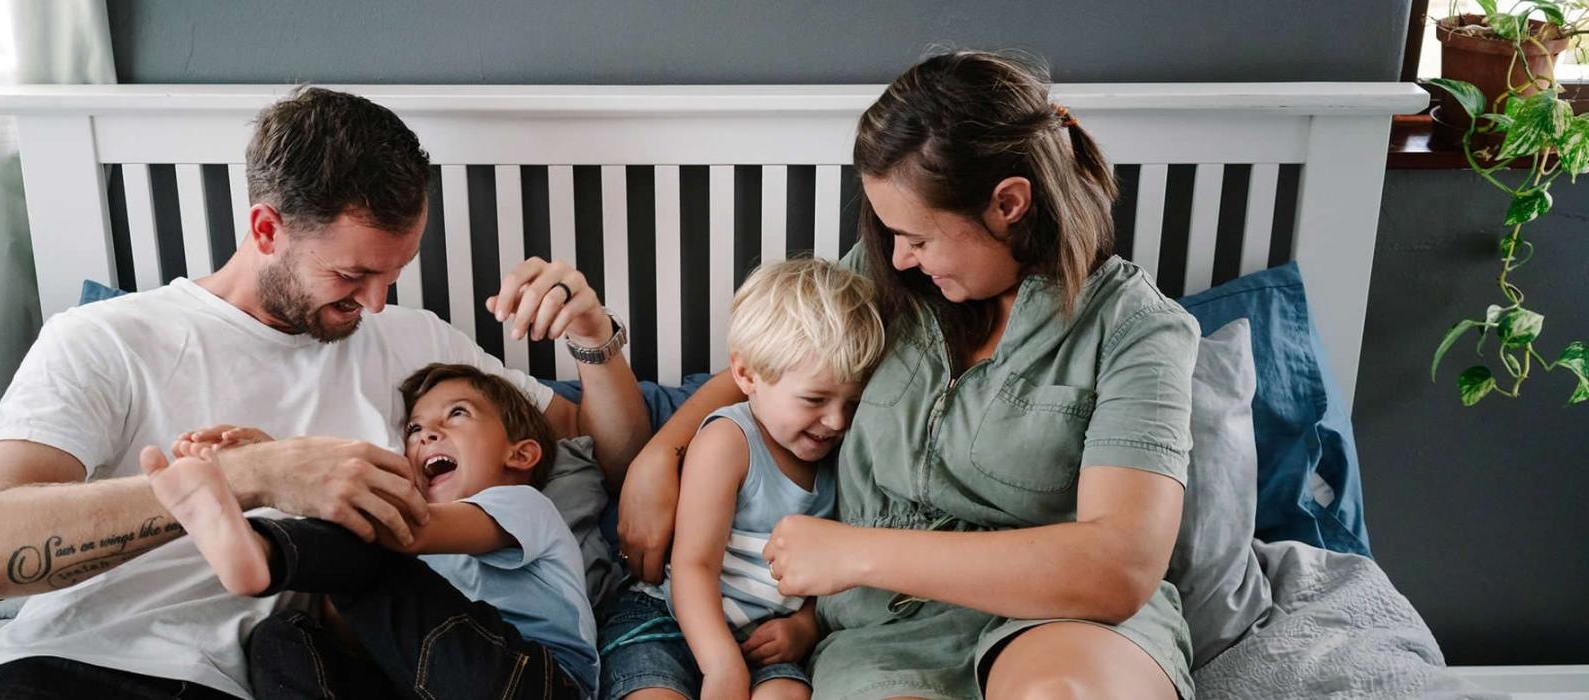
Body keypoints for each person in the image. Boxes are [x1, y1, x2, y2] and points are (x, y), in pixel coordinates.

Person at [0, 86, 649, 699]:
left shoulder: (417, 344)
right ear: (265, 228)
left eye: (393, 274)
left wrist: (594, 333)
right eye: (351, 276)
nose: (375, 304)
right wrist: (252, 477)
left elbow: (607, 454)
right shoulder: (108, 339)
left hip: (258, 678)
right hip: (72, 665)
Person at [615, 51, 1199, 700]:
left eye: (918, 237)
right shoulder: (887, 276)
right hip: (884, 632)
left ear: (1008, 204)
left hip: (1059, 615)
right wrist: (659, 454)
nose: (897, 256)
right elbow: (764, 370)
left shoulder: (1134, 331)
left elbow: (1119, 569)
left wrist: (852, 553)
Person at [146, 363, 599, 699]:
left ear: (520, 456)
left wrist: (287, 470)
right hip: (426, 685)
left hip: (535, 683)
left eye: (457, 414)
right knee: (284, 638)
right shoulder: (417, 571)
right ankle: (260, 552)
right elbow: (359, 622)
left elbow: (408, 532)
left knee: (370, 545)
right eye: (415, 428)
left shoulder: (524, 504)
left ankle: (263, 552)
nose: (426, 435)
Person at [599, 259, 885, 700]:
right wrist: (720, 664)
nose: (835, 420)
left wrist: (804, 627)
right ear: (747, 375)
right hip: (670, 618)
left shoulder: (842, 455)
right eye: (815, 399)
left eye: (852, 402)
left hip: (764, 635)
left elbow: (830, 570)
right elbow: (694, 566)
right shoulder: (728, 441)